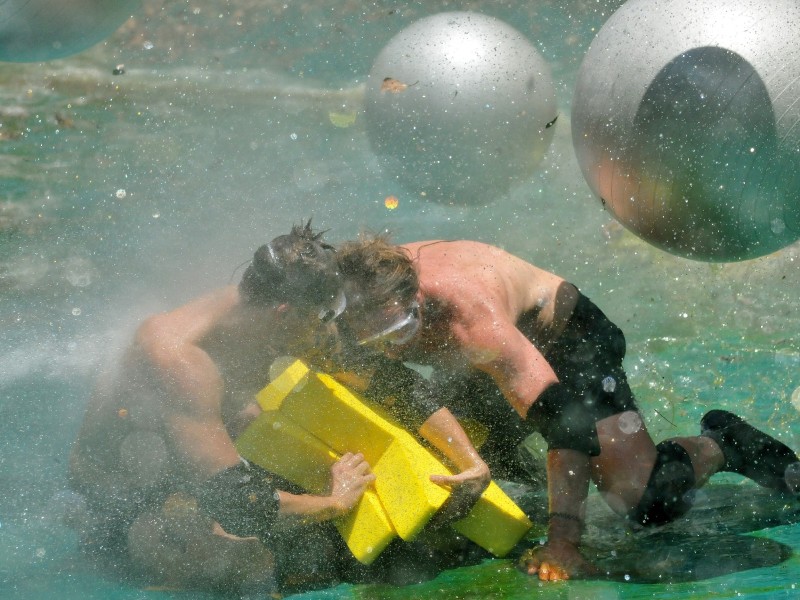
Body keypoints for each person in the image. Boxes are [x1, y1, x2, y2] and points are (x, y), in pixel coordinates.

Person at [334, 234, 800, 581]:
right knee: (449, 474)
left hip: (570, 344)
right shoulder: (351, 305)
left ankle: (721, 441)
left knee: (642, 504)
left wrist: (563, 542)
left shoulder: (472, 323)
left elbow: (568, 429)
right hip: (483, 373)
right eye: (375, 339)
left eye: (400, 331)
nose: (392, 349)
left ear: (417, 297)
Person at [68, 222, 377, 594]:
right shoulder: (181, 364)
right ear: (284, 313)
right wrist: (335, 502)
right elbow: (238, 503)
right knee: (248, 565)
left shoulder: (259, 305)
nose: (327, 328)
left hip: (191, 466)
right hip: (124, 498)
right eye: (323, 318)